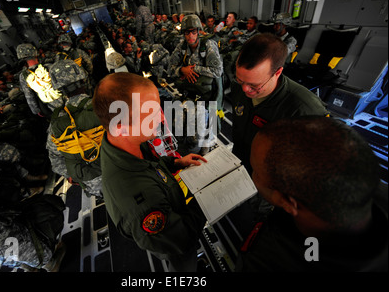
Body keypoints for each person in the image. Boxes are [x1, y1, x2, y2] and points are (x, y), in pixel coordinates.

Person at [236, 116, 388, 272]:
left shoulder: (264, 263)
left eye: (255, 171)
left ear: (288, 202)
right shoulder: (362, 185)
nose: (252, 173)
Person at [92, 72, 207, 272]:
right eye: (151, 114)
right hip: (173, 240)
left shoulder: (122, 142)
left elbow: (150, 163)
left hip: (169, 204)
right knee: (184, 263)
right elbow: (180, 238)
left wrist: (175, 162)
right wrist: (207, 197)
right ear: (122, 128)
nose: (162, 117)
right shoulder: (141, 201)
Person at [231, 33, 329, 174]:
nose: (245, 89)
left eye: (254, 85)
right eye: (240, 80)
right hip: (239, 161)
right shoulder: (238, 87)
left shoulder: (305, 110)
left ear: (277, 73)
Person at [168, 14, 223, 155]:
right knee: (186, 130)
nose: (190, 36)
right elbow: (169, 68)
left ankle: (207, 152)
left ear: (199, 31)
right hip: (191, 94)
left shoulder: (208, 45)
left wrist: (193, 68)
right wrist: (182, 70)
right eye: (187, 32)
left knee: (206, 134)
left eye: (193, 32)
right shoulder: (182, 47)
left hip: (208, 96)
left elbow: (218, 71)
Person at [47, 59, 104, 198]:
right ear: (83, 80)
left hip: (93, 181)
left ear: (59, 90)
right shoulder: (104, 104)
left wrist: (72, 174)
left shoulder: (57, 123)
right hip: (122, 166)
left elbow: (56, 159)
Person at [17, 43, 63, 117]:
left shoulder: (23, 76)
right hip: (64, 98)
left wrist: (36, 110)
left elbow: (29, 96)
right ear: (35, 53)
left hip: (50, 105)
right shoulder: (49, 66)